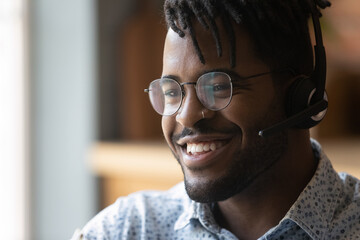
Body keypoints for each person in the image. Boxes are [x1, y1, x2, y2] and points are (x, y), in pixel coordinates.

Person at [72, 0, 360, 239]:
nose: (186, 116)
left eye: (219, 87)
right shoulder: (127, 230)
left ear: (300, 97)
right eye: (172, 92)